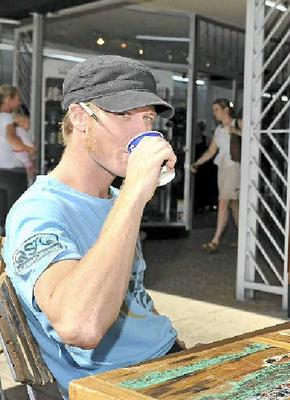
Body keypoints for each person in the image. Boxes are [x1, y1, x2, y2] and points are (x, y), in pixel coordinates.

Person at [2, 55, 182, 398]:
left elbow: (134, 296)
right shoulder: (39, 210)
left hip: (167, 361)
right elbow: (79, 326)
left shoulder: (115, 199)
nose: (143, 131)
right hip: (117, 385)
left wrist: (177, 347)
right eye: (124, 114)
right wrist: (133, 195)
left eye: (147, 117)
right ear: (81, 118)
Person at [191, 99, 240, 253]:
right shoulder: (219, 130)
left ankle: (215, 241)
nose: (214, 113)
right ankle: (244, 239)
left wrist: (236, 132)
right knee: (233, 205)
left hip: (235, 167)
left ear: (225, 110)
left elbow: (254, 138)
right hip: (223, 168)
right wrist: (197, 163)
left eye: (216, 110)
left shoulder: (238, 123)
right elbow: (211, 152)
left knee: (223, 202)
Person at [0, 86, 33, 233]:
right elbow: (11, 138)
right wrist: (29, 149)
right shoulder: (7, 118)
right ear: (8, 99)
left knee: (2, 215)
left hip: (2, 171)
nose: (19, 102)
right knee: (14, 215)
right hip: (13, 171)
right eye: (17, 99)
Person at [13, 106, 37, 185]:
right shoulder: (22, 132)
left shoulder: (13, 131)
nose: (29, 125)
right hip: (21, 166)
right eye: (28, 122)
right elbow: (32, 150)